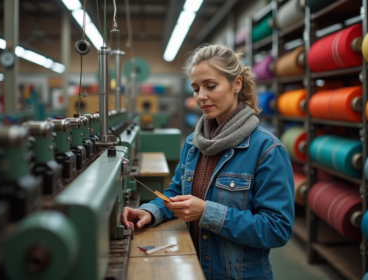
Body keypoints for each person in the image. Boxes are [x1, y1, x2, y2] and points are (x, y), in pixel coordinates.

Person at [122, 44, 294, 280]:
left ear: (237, 84)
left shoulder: (266, 149)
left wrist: (206, 213)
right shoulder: (194, 143)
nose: (201, 96)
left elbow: (277, 228)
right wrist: (149, 212)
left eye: (210, 86)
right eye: (195, 88)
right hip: (194, 268)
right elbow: (176, 192)